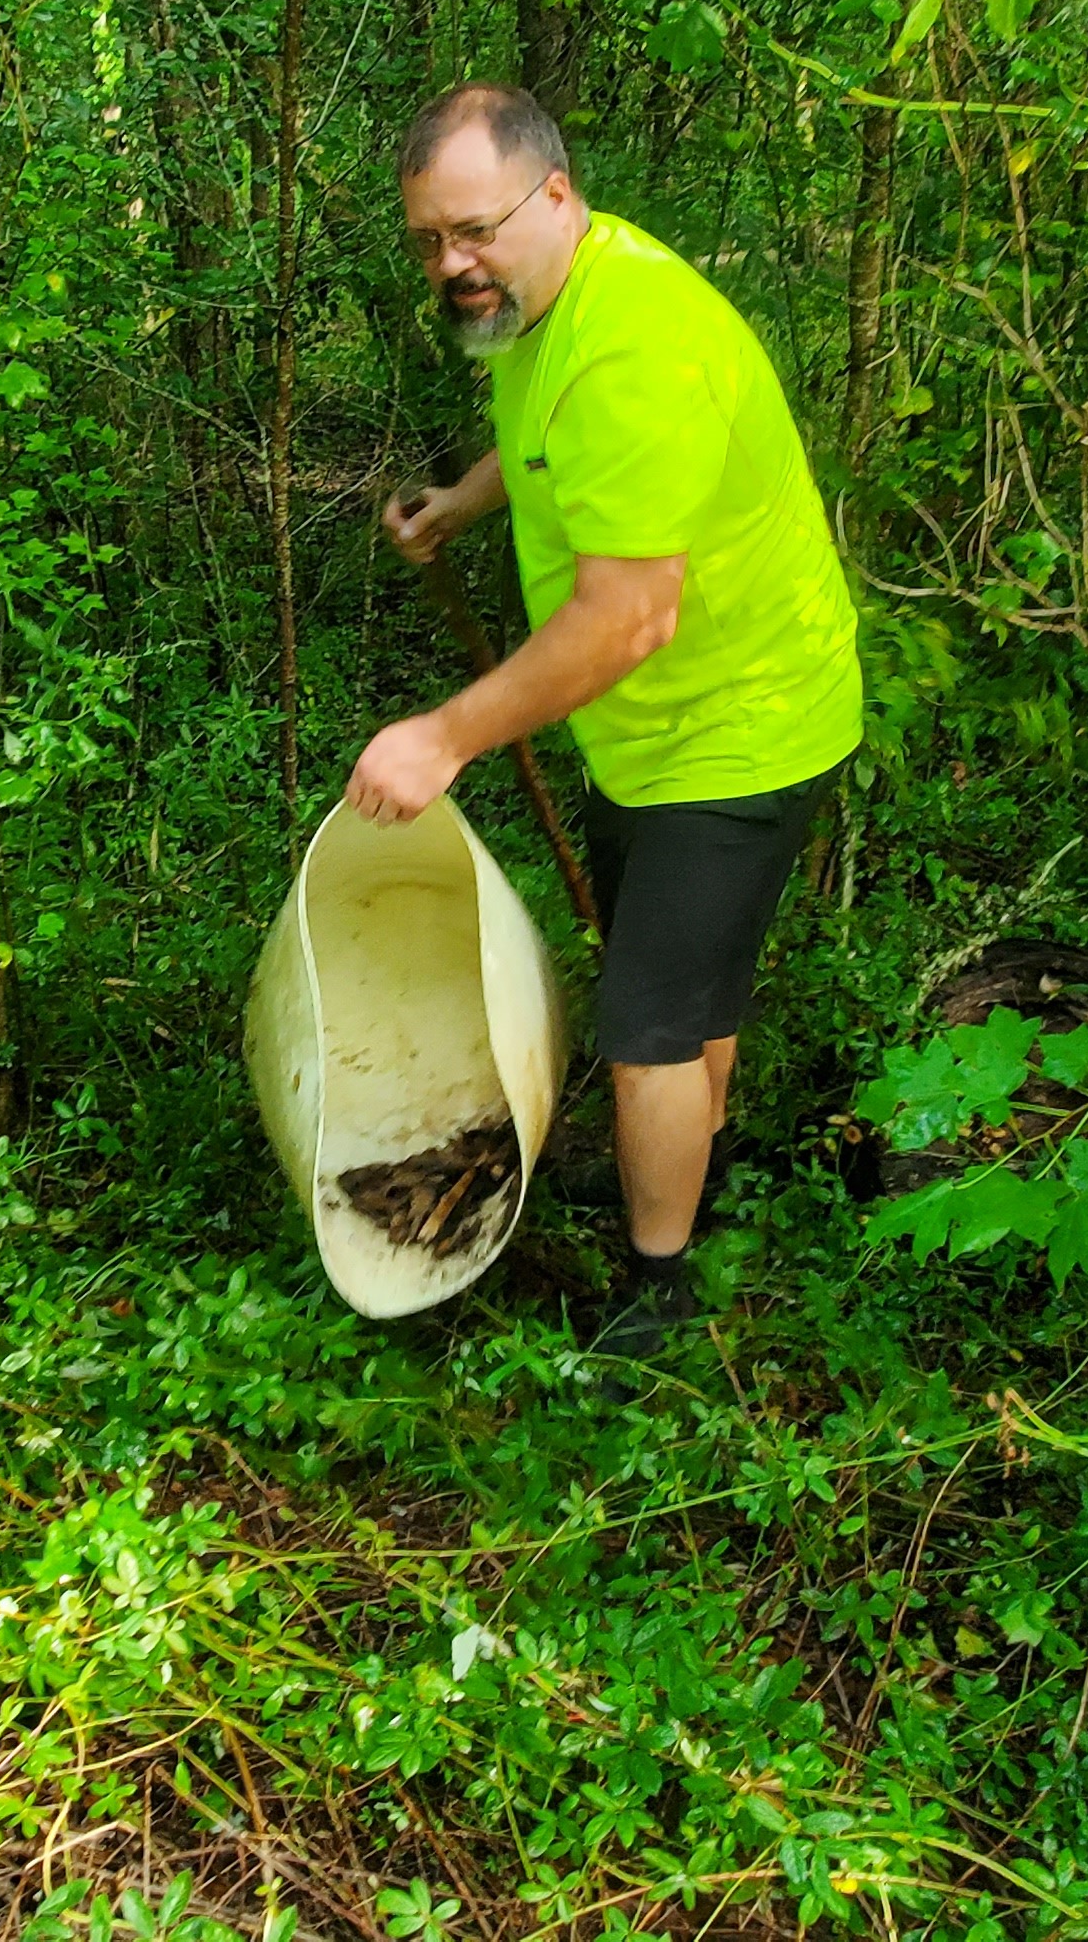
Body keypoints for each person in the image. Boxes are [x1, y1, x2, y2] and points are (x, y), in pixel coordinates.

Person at [344, 83, 864, 1361]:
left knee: (645, 1036)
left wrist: (445, 734)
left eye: (474, 229)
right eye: (429, 239)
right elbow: (543, 450)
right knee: (686, 995)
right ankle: (692, 1165)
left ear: (556, 195)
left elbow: (627, 621)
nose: (455, 263)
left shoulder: (638, 347)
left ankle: (662, 1285)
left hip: (737, 728)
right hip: (650, 730)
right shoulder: (550, 302)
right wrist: (467, 504)